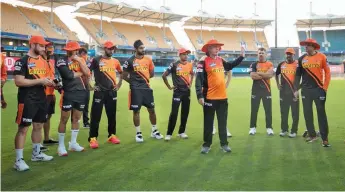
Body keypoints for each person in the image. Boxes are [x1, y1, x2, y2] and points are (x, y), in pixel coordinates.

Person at [195, 39, 244, 154]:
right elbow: (198, 80)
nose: (218, 48)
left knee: (222, 122)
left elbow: (231, 65)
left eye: (218, 47)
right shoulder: (203, 62)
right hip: (209, 97)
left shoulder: (221, 60)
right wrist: (199, 95)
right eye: (215, 47)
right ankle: (206, 145)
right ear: (209, 49)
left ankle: (224, 144)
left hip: (222, 97)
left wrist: (241, 57)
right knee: (208, 123)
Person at [13, 36, 54, 171]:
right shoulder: (22, 61)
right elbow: (18, 81)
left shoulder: (43, 61)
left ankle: (36, 154)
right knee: (23, 129)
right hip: (27, 99)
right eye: (41, 46)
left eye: (44, 46)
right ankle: (18, 161)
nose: (44, 49)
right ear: (33, 45)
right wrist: (40, 81)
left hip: (41, 98)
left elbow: (47, 78)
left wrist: (52, 83)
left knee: (38, 126)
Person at [122, 39, 163, 143]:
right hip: (136, 90)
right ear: (135, 49)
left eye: (144, 48)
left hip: (146, 88)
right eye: (141, 48)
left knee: (152, 110)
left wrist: (144, 80)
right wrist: (133, 83)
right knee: (136, 111)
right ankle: (138, 133)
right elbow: (124, 75)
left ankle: (154, 130)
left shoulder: (148, 60)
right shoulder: (129, 61)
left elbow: (152, 73)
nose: (143, 50)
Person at [294, 38, 331, 147]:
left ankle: (325, 139)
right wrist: (296, 90)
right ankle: (312, 135)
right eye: (305, 45)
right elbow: (298, 76)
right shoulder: (301, 59)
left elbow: (327, 73)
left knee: (321, 114)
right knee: (307, 113)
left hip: (318, 90)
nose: (306, 47)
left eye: (308, 45)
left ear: (314, 47)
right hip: (305, 91)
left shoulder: (322, 57)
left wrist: (324, 88)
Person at [55, 41, 90, 156]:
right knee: (64, 119)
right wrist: (81, 72)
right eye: (71, 50)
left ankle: (73, 143)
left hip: (80, 92)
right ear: (67, 50)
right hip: (69, 92)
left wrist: (80, 61)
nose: (74, 52)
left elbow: (88, 73)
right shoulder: (61, 60)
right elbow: (68, 76)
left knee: (76, 119)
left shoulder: (80, 59)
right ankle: (61, 146)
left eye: (75, 50)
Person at [88, 41, 122, 148]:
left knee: (112, 115)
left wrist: (119, 84)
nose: (111, 50)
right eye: (109, 48)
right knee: (95, 116)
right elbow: (87, 72)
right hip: (99, 92)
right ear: (104, 49)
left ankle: (112, 135)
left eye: (113, 49)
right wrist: (90, 86)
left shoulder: (116, 61)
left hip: (112, 92)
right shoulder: (96, 59)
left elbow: (121, 72)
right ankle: (93, 138)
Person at [162, 48, 194, 141]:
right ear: (180, 55)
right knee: (174, 113)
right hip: (177, 92)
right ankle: (169, 133)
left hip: (187, 92)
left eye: (187, 54)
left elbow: (192, 74)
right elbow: (164, 75)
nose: (186, 56)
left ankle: (182, 132)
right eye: (184, 54)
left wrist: (190, 83)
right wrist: (169, 87)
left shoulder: (189, 65)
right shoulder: (174, 64)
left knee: (185, 112)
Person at [249, 47, 275, 136]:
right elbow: (253, 76)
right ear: (257, 54)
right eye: (259, 53)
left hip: (266, 90)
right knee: (254, 110)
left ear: (266, 54)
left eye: (262, 53)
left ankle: (269, 128)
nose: (261, 54)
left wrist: (259, 73)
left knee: (268, 110)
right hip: (255, 90)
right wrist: (265, 75)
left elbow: (270, 75)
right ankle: (252, 128)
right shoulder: (253, 64)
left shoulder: (270, 64)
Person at [275, 48, 299, 138]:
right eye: (287, 54)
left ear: (293, 55)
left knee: (295, 113)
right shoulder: (281, 64)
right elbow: (276, 74)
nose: (288, 55)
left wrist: (298, 89)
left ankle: (294, 131)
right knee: (284, 112)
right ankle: (284, 129)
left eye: (290, 54)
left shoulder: (297, 65)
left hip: (294, 92)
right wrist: (278, 84)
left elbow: (302, 77)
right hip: (283, 92)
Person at [41, 42, 58, 148]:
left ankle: (46, 138)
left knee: (48, 117)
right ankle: (37, 143)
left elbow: (51, 77)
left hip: (51, 93)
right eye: (48, 47)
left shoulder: (50, 62)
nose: (51, 49)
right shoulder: (39, 62)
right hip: (43, 94)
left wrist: (57, 84)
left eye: (52, 47)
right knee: (40, 119)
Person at [212, 64, 233, 137]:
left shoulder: (222, 63)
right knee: (211, 112)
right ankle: (212, 128)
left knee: (223, 113)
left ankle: (225, 129)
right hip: (210, 91)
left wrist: (227, 83)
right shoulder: (208, 62)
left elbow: (230, 70)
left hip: (221, 91)